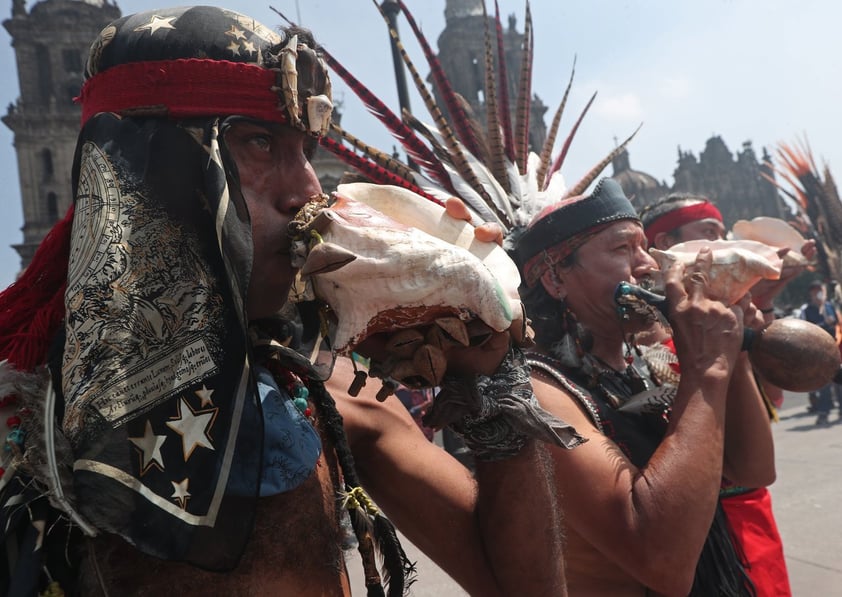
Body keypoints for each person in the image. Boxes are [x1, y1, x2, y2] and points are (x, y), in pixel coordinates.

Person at [0, 7, 575, 596]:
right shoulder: (20, 422)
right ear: (147, 166)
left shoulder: (328, 404)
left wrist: (487, 365)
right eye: (258, 141)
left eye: (306, 150)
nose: (308, 189)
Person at [511, 178, 776, 596]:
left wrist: (733, 350)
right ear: (556, 279)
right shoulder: (537, 392)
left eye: (642, 246)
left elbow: (753, 470)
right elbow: (662, 561)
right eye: (622, 249)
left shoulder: (648, 361)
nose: (649, 264)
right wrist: (707, 367)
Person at [640, 192, 796, 596]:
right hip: (694, 539)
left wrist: (758, 312)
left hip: (752, 519)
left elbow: (772, 402)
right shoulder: (644, 338)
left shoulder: (728, 320)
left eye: (724, 232)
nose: (724, 243)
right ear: (662, 247)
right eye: (709, 234)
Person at [800, 279, 840, 425]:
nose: (818, 293)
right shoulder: (806, 310)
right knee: (824, 382)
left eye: (820, 290)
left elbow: (837, 324)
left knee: (838, 381)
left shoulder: (830, 306)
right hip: (818, 350)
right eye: (815, 290)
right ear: (811, 293)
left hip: (835, 347)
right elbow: (804, 329)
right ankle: (823, 411)